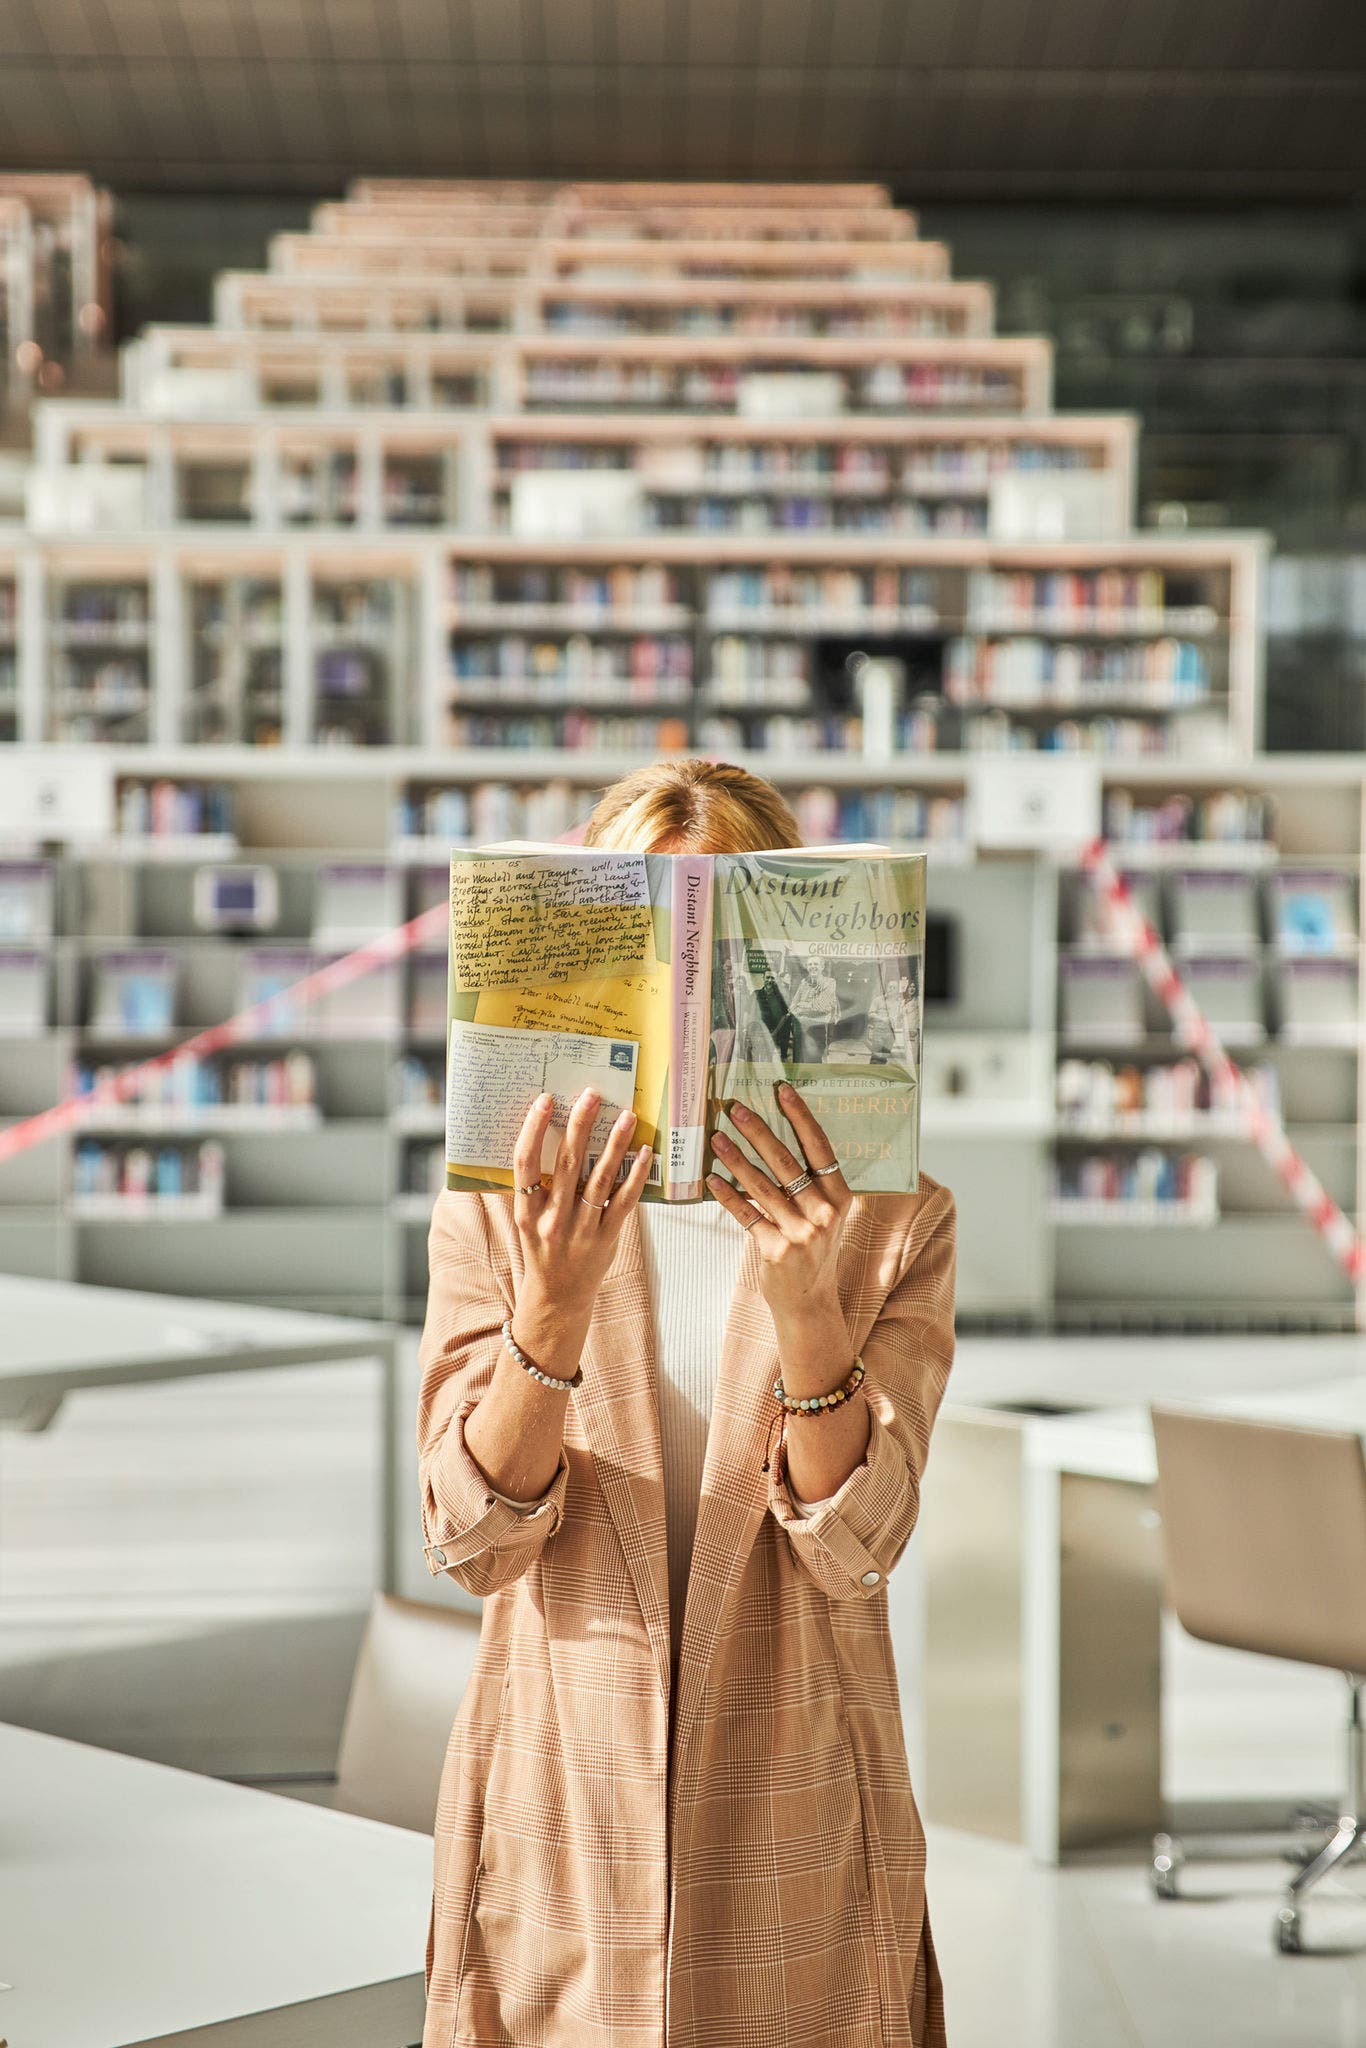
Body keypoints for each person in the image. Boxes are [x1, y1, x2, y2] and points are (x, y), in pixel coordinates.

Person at [416, 756, 958, 2048]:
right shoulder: (499, 1205)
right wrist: (549, 1311)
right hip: (560, 1783)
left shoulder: (896, 1219)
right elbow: (471, 1539)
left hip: (794, 1797)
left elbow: (858, 1549)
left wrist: (806, 1300)